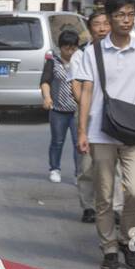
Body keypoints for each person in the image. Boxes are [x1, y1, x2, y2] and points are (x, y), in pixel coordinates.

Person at [75, 0, 135, 269]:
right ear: (110, 18)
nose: (126, 20)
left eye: (130, 15)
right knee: (103, 195)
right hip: (101, 133)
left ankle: (127, 238)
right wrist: (82, 130)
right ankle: (109, 247)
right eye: (120, 15)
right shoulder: (93, 52)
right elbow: (87, 92)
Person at [71, 10, 123, 224]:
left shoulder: (120, 53)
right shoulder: (81, 54)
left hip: (115, 117)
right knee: (87, 165)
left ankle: (117, 207)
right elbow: (75, 84)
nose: (102, 28)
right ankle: (89, 206)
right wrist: (87, 107)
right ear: (90, 28)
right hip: (89, 116)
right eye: (97, 24)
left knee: (117, 164)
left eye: (105, 23)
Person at [40, 27, 81, 184]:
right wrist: (47, 97)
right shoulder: (53, 62)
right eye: (66, 48)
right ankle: (54, 169)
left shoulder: (82, 61)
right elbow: (45, 81)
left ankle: (79, 173)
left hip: (77, 110)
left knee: (79, 143)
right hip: (58, 110)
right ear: (60, 47)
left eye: (73, 48)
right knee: (57, 141)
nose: (70, 52)